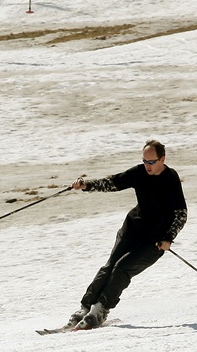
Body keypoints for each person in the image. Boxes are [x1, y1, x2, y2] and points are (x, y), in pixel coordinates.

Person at [67, 140, 187, 330]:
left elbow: (181, 214)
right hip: (132, 230)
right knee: (109, 266)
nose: (147, 166)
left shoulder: (170, 178)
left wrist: (169, 238)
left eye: (151, 162)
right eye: (145, 161)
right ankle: (85, 308)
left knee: (121, 269)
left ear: (162, 159)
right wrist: (86, 185)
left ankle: (100, 310)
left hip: (154, 241)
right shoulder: (139, 172)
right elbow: (113, 182)